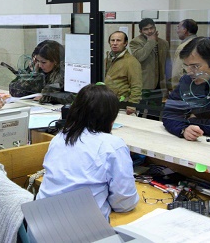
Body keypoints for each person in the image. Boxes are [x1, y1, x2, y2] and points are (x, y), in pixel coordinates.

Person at [36, 84, 139, 221]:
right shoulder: (113, 145)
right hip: (80, 231)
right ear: (111, 118)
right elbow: (124, 203)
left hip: (38, 227)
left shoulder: (60, 138)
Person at [129, 18, 170, 102]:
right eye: (146, 29)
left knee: (155, 111)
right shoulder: (135, 42)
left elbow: (168, 64)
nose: (150, 31)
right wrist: (151, 41)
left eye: (151, 28)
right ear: (140, 31)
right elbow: (139, 57)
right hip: (144, 84)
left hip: (160, 84)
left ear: (155, 28)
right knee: (140, 110)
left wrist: (169, 85)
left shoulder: (164, 43)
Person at [105, 31, 142, 115]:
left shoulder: (131, 62)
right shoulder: (107, 59)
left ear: (125, 43)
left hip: (122, 105)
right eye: (112, 40)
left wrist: (132, 104)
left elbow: (136, 85)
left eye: (118, 40)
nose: (115, 43)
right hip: (106, 102)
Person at [33, 40, 75, 105]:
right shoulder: (38, 67)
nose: (40, 65)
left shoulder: (64, 71)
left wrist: (47, 97)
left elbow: (73, 98)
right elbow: (17, 89)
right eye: (37, 61)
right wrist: (34, 74)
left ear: (55, 61)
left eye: (43, 62)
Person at [171, 19, 198, 90]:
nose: (177, 31)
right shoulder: (200, 43)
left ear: (185, 30)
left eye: (178, 27)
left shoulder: (184, 47)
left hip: (183, 88)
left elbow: (177, 72)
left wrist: (174, 88)